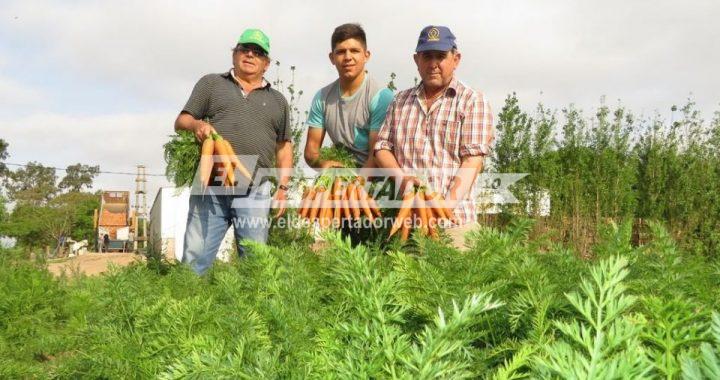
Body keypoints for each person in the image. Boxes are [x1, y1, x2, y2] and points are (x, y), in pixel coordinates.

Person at [174, 29, 293, 274]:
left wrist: (283, 188)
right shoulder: (211, 83)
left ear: (266, 63)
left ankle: (252, 312)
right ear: (234, 54)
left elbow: (284, 148)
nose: (250, 55)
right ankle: (187, 307)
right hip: (211, 185)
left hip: (255, 189)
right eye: (244, 49)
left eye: (258, 52)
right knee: (195, 259)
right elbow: (181, 120)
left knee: (255, 265)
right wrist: (196, 124)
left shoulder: (278, 101)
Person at [374, 25, 494, 249]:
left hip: (456, 227)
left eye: (441, 56)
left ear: (456, 59)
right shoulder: (400, 101)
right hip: (407, 225)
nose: (433, 64)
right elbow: (381, 147)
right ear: (416, 60)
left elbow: (472, 161)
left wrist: (442, 210)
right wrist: (402, 181)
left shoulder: (472, 100)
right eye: (427, 56)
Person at [304, 23, 394, 170]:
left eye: (354, 51)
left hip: (376, 180)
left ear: (366, 56)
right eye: (340, 52)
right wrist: (324, 164)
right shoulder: (322, 97)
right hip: (338, 176)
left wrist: (355, 186)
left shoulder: (381, 97)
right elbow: (311, 151)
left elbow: (377, 154)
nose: (347, 57)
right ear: (332, 58)